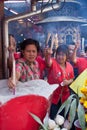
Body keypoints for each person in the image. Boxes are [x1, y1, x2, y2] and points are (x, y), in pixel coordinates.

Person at [44, 44, 74, 119]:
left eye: (63, 55)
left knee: (64, 117)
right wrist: (48, 55)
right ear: (56, 55)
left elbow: (72, 78)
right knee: (53, 118)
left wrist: (68, 82)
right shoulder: (53, 63)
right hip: (53, 97)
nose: (60, 57)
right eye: (58, 54)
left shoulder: (70, 66)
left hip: (65, 97)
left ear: (66, 56)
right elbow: (48, 63)